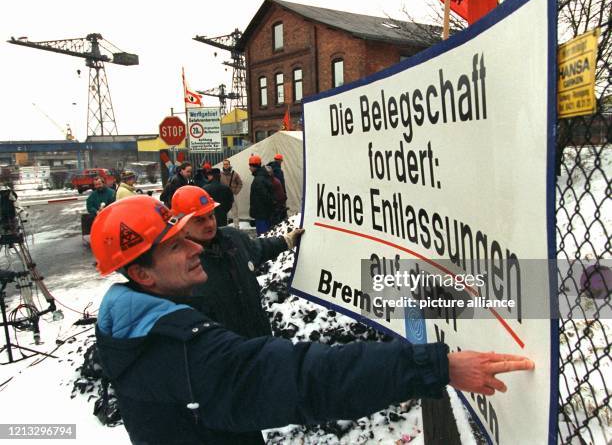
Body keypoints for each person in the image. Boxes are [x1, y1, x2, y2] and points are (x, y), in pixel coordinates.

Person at [92, 196, 535, 445]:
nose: (193, 246)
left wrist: (286, 240)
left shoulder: (133, 326)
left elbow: (257, 253)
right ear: (142, 273)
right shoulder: (182, 351)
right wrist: (436, 366)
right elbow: (305, 377)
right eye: (175, 246)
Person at [171, 185, 300, 338]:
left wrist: (286, 241)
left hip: (260, 339)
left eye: (211, 216)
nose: (210, 224)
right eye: (199, 220)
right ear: (181, 223)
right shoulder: (178, 266)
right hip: (226, 353)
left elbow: (259, 248)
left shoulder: (232, 237)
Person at [248, 154, 275, 235]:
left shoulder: (258, 180)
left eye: (250, 166)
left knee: (263, 236)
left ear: (253, 166)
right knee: (267, 234)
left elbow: (264, 196)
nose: (249, 168)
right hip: (265, 212)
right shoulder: (263, 176)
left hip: (261, 213)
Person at [220, 159, 243, 228]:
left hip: (232, 194)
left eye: (227, 164)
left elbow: (240, 183)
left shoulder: (234, 173)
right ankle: (225, 227)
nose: (226, 165)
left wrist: (236, 191)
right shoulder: (220, 174)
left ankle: (236, 227)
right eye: (224, 164)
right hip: (224, 195)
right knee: (224, 212)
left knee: (235, 212)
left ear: (229, 164)